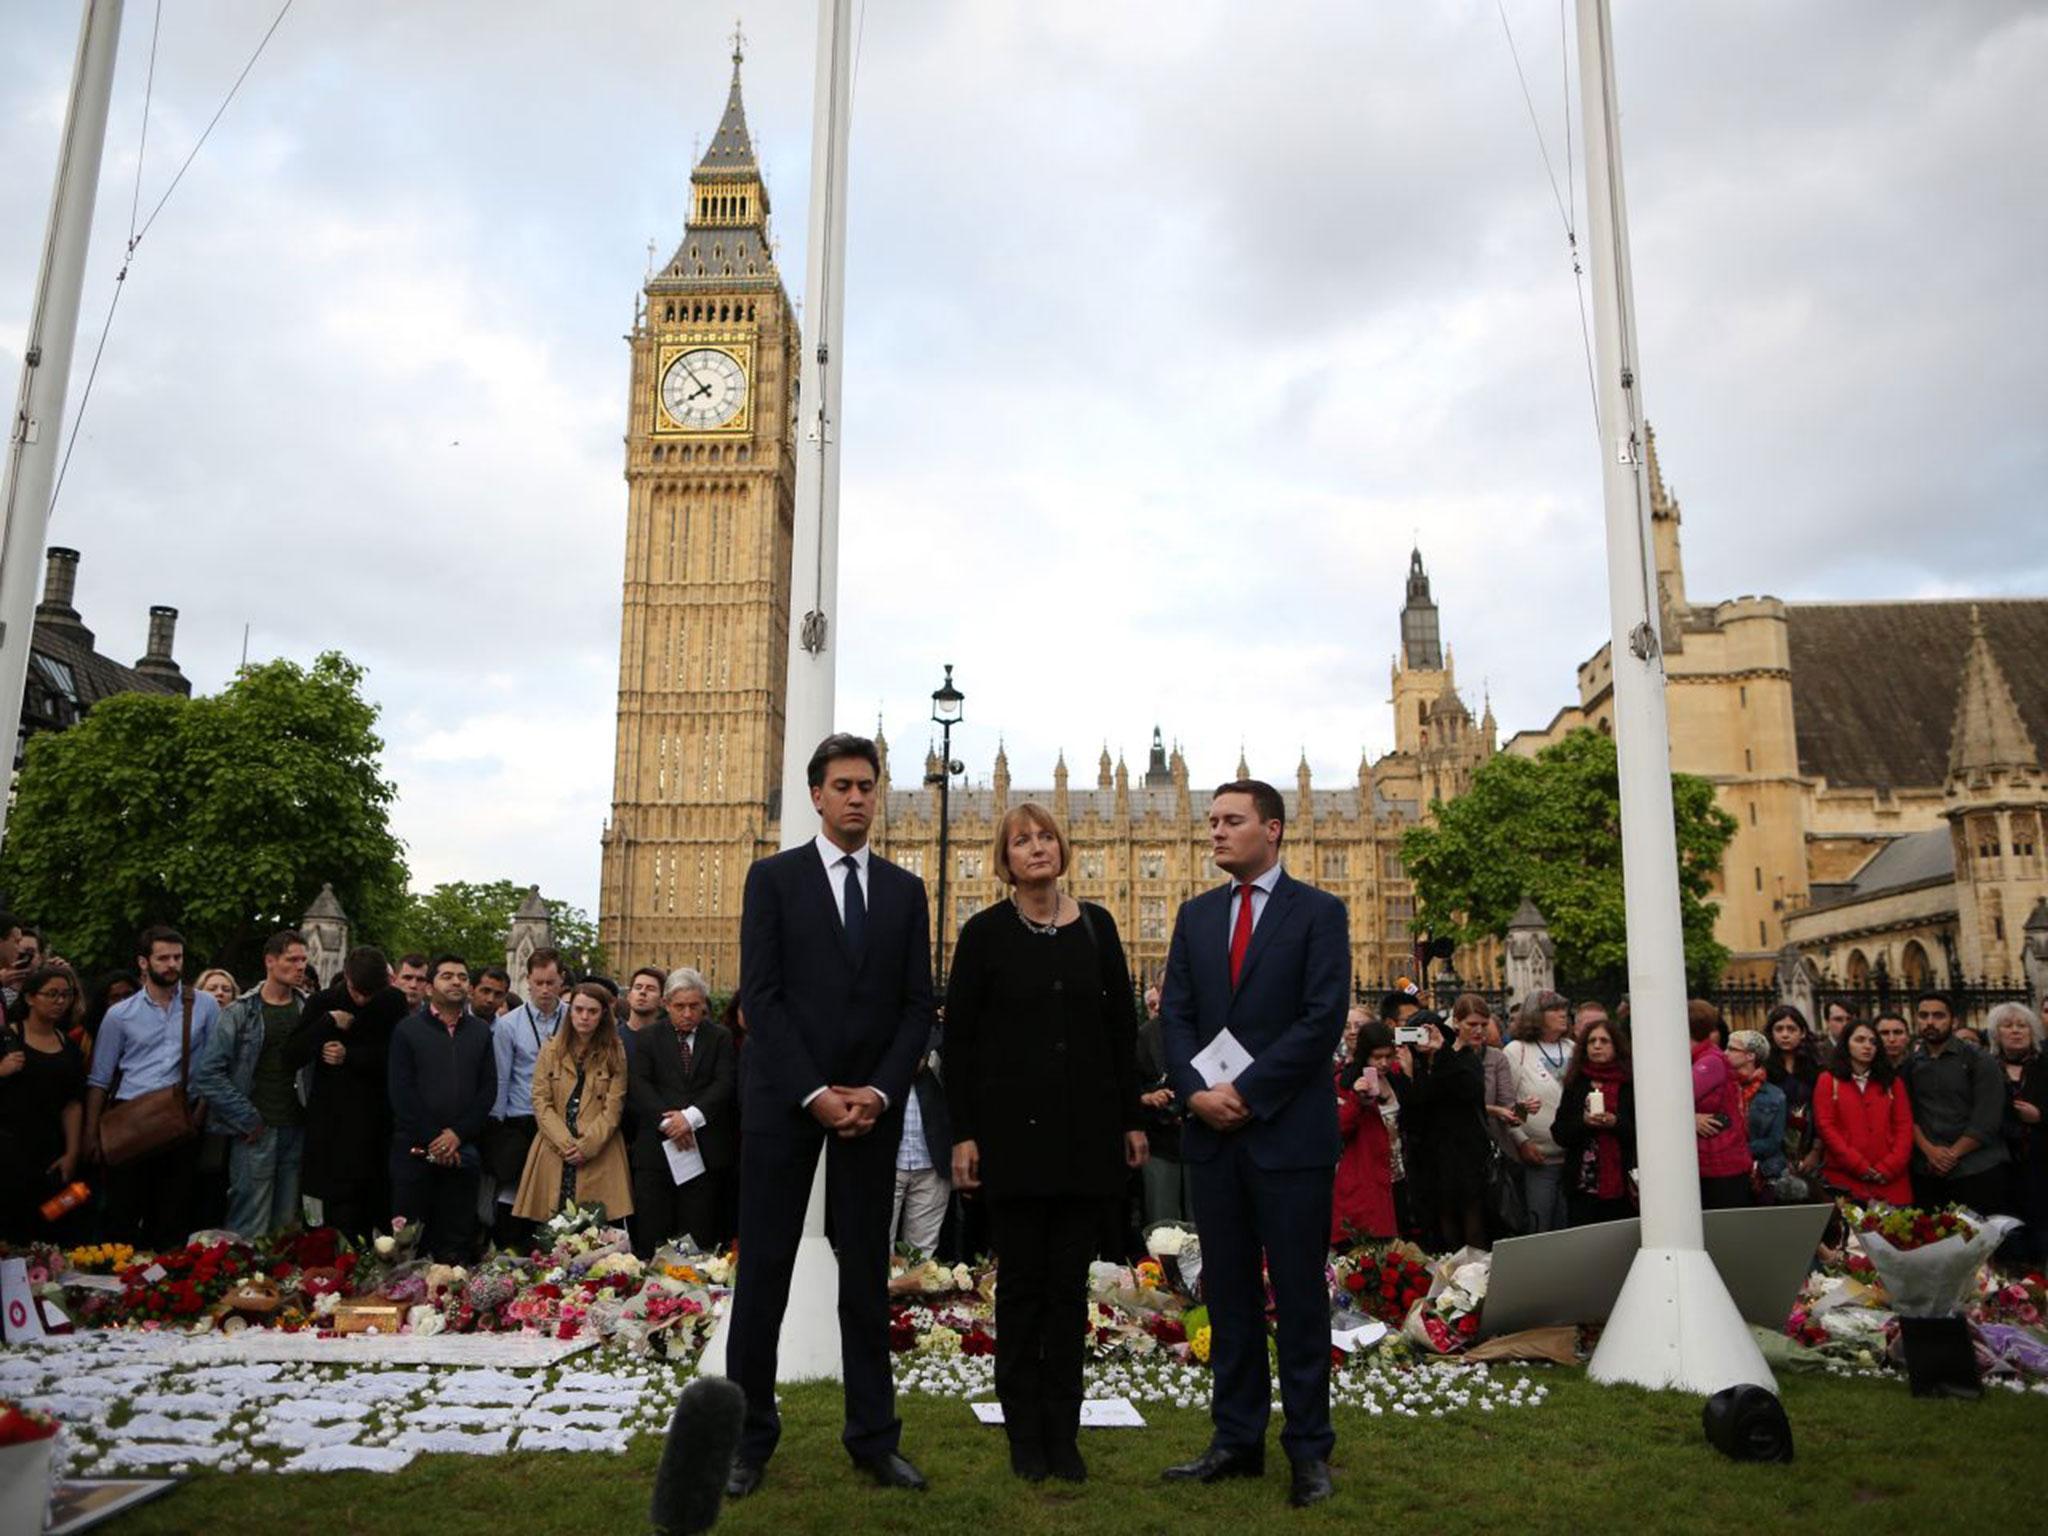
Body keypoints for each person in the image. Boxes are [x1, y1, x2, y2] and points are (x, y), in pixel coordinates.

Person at [727, 734, 935, 1499]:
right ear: (816, 796)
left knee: (866, 1281)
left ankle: (874, 1439)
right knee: (766, 1277)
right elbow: (763, 999)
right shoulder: (773, 880)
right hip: (788, 1103)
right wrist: (816, 1091)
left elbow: (917, 1007)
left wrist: (876, 1093)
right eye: (843, 785)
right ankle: (751, 1437)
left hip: (870, 1110)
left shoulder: (905, 891)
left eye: (867, 786)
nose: (856, 797)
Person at [1160, 779, 1348, 1510]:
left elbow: (1322, 1017)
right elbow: (1176, 1015)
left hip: (1287, 1135)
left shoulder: (1319, 914)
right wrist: (1195, 1090)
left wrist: (1250, 1091)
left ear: (1273, 830)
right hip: (1213, 1135)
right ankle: (1235, 1440)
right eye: (1211, 821)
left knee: (1299, 1297)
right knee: (1229, 1297)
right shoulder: (1197, 915)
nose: (1215, 832)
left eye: (1231, 821)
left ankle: (1308, 1451)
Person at [83, 926, 222, 1250]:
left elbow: (215, 1066)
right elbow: (100, 1079)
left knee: (173, 1217)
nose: (172, 964)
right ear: (143, 962)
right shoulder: (120, 1014)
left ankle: (166, 1292)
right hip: (130, 1118)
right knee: (123, 1216)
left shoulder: (204, 1005)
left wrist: (200, 1111)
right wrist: (92, 1134)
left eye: (178, 957)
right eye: (163, 958)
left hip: (180, 1121)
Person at [190, 930, 312, 1238]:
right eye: (292, 959)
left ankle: (278, 1286)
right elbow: (208, 1074)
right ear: (270, 962)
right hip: (256, 1128)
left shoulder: (308, 1009)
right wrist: (246, 1117)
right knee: (250, 1222)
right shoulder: (240, 1011)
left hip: (296, 1126)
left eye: (303, 959)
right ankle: (244, 1285)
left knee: (285, 1225)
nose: (300, 966)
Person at [289, 945, 409, 1238]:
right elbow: (291, 1055)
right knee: (332, 1215)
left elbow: (399, 1056)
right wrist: (326, 1025)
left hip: (377, 1123)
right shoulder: (323, 1002)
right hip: (332, 1125)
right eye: (358, 992)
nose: (363, 1000)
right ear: (347, 979)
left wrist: (350, 1055)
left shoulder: (393, 1002)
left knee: (376, 1209)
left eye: (371, 994)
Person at [387, 954, 495, 1261]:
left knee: (456, 1238)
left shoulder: (479, 1032)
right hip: (415, 1149)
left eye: (462, 977)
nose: (456, 981)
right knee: (410, 1238)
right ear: (430, 986)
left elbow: (488, 1089)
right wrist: (436, 1138)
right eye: (447, 976)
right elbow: (401, 1091)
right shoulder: (408, 1030)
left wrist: (457, 1135)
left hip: (462, 1149)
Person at [628, 967, 737, 1257]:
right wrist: (670, 1124)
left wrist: (689, 1119)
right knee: (652, 1238)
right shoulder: (648, 1039)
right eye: (680, 1007)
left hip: (705, 1154)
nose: (688, 1014)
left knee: (698, 1240)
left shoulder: (720, 1038)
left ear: (704, 1004)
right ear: (666, 1005)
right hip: (656, 1154)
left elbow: (725, 1083)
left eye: (694, 1006)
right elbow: (639, 1085)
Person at [513, 981, 634, 1226]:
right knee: (550, 1225)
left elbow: (614, 1106)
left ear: (602, 1015)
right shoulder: (550, 1049)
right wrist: (565, 1143)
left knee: (596, 1230)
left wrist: (587, 1146)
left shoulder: (615, 1051)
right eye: (578, 1010)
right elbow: (540, 1099)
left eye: (592, 1011)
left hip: (599, 1150)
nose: (584, 1017)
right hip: (554, 1148)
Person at [0, 964, 87, 1243]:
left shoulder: (69, 1046)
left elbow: (72, 1103)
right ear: (29, 998)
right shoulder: (7, 1038)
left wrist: (72, 1153)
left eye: (66, 994)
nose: (60, 1001)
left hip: (53, 1154)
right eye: (51, 994)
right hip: (11, 1152)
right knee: (14, 1229)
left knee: (57, 1221)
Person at [488, 948, 569, 1248]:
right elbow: (501, 1076)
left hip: (564, 1121)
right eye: (539, 983)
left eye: (551, 982)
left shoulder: (576, 1019)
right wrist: (497, 1126)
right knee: (515, 1190)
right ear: (528, 982)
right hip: (522, 1119)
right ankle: (511, 1249)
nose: (545, 990)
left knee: (557, 1193)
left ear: (562, 980)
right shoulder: (509, 1025)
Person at [1408, 1002, 1503, 1250]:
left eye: (1483, 1024)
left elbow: (1470, 1090)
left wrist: (1441, 1053)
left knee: (1474, 1223)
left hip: (1465, 1155)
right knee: (1444, 1223)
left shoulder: (1462, 1058)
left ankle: (1475, 1279)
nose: (1479, 1030)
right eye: (1472, 1024)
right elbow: (1416, 1108)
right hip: (1432, 1157)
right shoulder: (1414, 1064)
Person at [1901, 991, 2007, 1213]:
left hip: (1977, 1170)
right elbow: (1907, 1115)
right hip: (1927, 1173)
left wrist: (1950, 1155)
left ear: (1954, 1020)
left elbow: (1987, 1118)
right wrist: (1930, 1151)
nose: (1930, 1022)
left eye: (1938, 1016)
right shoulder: (1910, 1064)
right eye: (1923, 1015)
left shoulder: (1978, 1059)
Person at [1812, 1018, 1913, 1204]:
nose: (1867, 1046)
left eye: (1873, 1042)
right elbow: (1826, 1127)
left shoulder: (1892, 1082)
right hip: (1845, 1179)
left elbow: (1904, 1127)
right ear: (1846, 1044)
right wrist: (1859, 1166)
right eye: (1859, 1040)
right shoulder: (1828, 1080)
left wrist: (1889, 1167)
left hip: (1890, 1181)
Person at [1552, 1018, 1635, 1226]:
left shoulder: (1630, 1083)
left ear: (1616, 1046)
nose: (1597, 1046)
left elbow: (1642, 1133)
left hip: (1622, 1185)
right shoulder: (1576, 1083)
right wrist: (1584, 1123)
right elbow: (1559, 1132)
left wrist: (1615, 1123)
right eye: (1591, 1041)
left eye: (1604, 1041)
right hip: (1582, 1186)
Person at [1502, 990, 1573, 1232]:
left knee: (1569, 1227)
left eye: (1564, 1008)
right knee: (1539, 1225)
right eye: (1554, 1009)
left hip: (1574, 1157)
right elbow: (1506, 1104)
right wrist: (1521, 1142)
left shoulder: (1573, 1048)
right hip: (1539, 1159)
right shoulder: (1517, 1050)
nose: (1563, 1014)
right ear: (1536, 1016)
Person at [1331, 1020, 1405, 1243]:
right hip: (1365, 1179)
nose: (1383, 1063)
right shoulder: (1345, 1082)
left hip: (1398, 1174)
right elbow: (1338, 1129)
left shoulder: (1395, 1079)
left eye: (1388, 1056)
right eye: (1377, 1057)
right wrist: (1357, 1100)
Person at [1987, 1001, 2046, 1261]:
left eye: (2022, 1025)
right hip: (2001, 1165)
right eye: (2008, 1026)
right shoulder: (1987, 1068)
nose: (2016, 1031)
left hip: (2041, 1164)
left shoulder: (2044, 1065)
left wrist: (2040, 1116)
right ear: (1996, 1034)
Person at [892, 1024, 952, 1258]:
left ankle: (913, 1295)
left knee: (921, 1258)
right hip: (885, 1162)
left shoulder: (936, 1037)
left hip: (931, 1162)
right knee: (872, 1247)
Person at [1134, 982, 1191, 1227]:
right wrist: (1148, 1097)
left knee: (1207, 1226)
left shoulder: (1205, 1029)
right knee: (1163, 1228)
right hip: (1160, 1141)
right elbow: (1129, 1083)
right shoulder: (1146, 1034)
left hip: (1201, 1138)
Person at [1688, 1000, 1753, 1209]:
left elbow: (1673, 1100)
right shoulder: (1699, 1058)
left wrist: (1687, 1117)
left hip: (1721, 1164)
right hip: (1707, 1162)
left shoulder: (1710, 1061)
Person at [1764, 1004, 1824, 1198]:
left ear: (1803, 1033)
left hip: (1810, 1148)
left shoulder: (1816, 1068)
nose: (1785, 1035)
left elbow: (1822, 1112)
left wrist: (1815, 1151)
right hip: (1774, 1151)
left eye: (1791, 1029)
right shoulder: (1763, 1069)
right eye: (1779, 1029)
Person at [1725, 1029, 1787, 1197]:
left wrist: (1738, 1150)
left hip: (1763, 1171)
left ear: (1750, 1056)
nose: (1725, 1053)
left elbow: (1774, 1141)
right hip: (1727, 1170)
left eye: (1732, 1049)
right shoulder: (1723, 1088)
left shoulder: (1775, 1095)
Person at [621, 966, 667, 1070]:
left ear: (662, 1001)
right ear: (629, 996)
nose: (642, 992)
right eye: (638, 987)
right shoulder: (613, 1038)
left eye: (651, 989)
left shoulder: (670, 1041)